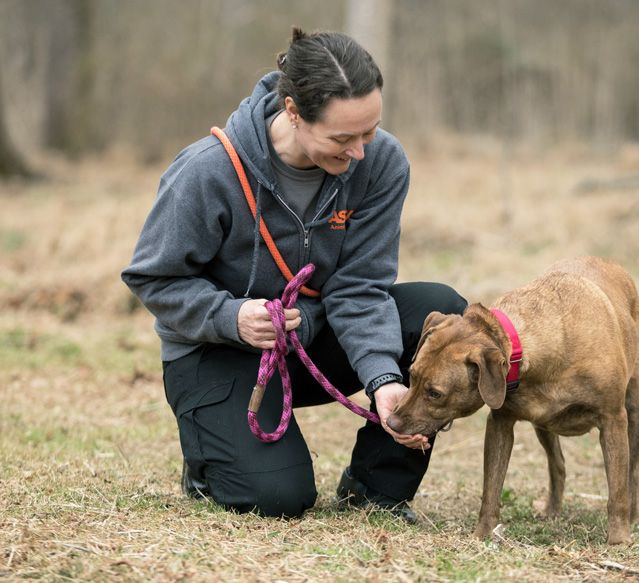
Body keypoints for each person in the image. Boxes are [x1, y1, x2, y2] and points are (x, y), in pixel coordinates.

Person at [121, 27, 466, 523]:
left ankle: (377, 490)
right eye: (343, 138)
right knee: (279, 499)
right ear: (293, 111)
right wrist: (231, 316)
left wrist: (386, 379)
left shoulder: (382, 163)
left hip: (312, 340)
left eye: (369, 131)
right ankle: (209, 463)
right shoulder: (207, 171)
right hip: (216, 353)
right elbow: (154, 278)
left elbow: (360, 288)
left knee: (441, 315)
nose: (360, 152)